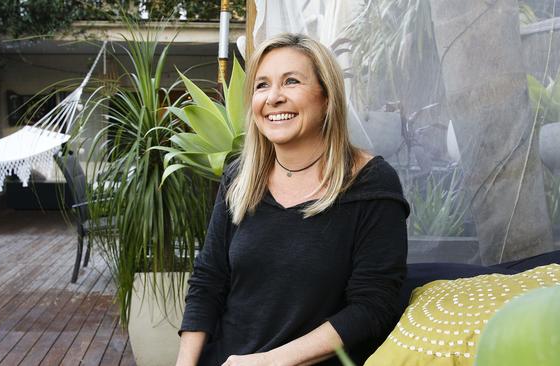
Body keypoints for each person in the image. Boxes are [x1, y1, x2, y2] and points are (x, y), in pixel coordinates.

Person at [175, 33, 410, 366]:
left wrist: (268, 362)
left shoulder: (371, 184)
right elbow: (208, 280)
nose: (274, 97)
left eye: (291, 82)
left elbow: (373, 307)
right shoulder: (239, 176)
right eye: (262, 85)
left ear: (326, 97)